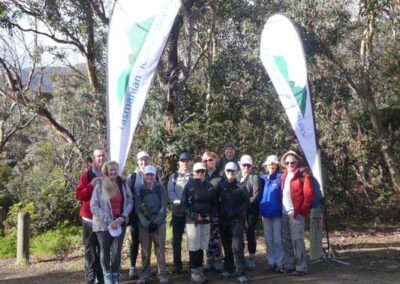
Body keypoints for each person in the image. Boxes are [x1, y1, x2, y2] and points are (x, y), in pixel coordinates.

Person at [90, 161, 133, 284]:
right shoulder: (100, 185)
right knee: (104, 250)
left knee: (116, 251)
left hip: (120, 223)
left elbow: (130, 201)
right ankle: (107, 277)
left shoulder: (123, 184)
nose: (113, 172)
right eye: (111, 170)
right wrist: (109, 220)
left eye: (115, 169)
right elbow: (94, 206)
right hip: (103, 225)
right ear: (106, 171)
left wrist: (123, 217)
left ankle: (115, 276)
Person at [181, 162, 217, 283]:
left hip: (206, 221)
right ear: (193, 173)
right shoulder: (189, 186)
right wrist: (195, 216)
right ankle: (194, 272)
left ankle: (199, 270)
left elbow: (214, 204)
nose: (200, 173)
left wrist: (210, 216)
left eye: (202, 171)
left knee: (202, 246)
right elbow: (184, 205)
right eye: (198, 171)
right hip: (193, 222)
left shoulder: (209, 186)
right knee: (193, 247)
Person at [280, 150, 313, 276]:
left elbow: (308, 195)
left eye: (292, 162)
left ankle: (301, 267)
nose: (290, 164)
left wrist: (299, 210)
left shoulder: (303, 175)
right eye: (287, 162)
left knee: (297, 240)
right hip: (284, 212)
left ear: (297, 162)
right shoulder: (284, 175)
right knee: (286, 240)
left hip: (296, 213)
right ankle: (289, 265)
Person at [76, 149, 106, 284]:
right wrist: (90, 185)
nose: (101, 158)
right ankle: (90, 277)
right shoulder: (86, 175)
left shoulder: (109, 173)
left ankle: (102, 276)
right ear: (93, 159)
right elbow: (79, 195)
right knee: (90, 248)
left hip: (104, 219)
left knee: (103, 249)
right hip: (89, 218)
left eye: (103, 156)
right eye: (98, 156)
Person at [135, 165, 168, 284]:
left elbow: (164, 207)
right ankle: (144, 275)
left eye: (151, 174)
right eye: (147, 174)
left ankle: (162, 274)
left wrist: (156, 222)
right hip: (144, 224)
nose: (149, 176)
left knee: (160, 250)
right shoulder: (140, 189)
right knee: (145, 250)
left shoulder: (160, 188)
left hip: (159, 223)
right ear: (143, 175)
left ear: (155, 175)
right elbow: (138, 209)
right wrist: (147, 223)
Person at [218, 162, 250, 284]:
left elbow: (246, 203)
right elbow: (216, 202)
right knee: (226, 246)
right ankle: (229, 269)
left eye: (233, 171)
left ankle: (240, 272)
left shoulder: (241, 187)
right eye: (228, 171)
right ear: (225, 172)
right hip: (223, 220)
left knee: (237, 247)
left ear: (236, 172)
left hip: (237, 221)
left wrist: (237, 212)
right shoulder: (221, 186)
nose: (230, 174)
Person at [126, 151, 154, 279]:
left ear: (148, 160)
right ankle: (132, 267)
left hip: (150, 215)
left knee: (148, 242)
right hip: (135, 215)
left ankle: (146, 266)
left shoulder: (154, 174)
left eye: (145, 159)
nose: (143, 162)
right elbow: (127, 195)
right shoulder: (132, 176)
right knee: (135, 241)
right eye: (141, 160)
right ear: (137, 161)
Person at [167, 152, 192, 273]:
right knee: (177, 240)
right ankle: (177, 265)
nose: (185, 163)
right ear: (179, 162)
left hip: (191, 212)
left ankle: (194, 264)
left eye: (186, 160)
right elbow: (170, 192)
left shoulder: (194, 175)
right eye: (182, 161)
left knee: (192, 238)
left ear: (190, 162)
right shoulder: (174, 176)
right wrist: (178, 202)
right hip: (177, 212)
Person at [259, 155, 283, 272]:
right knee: (268, 239)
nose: (271, 166)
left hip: (277, 213)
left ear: (277, 165)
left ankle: (280, 262)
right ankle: (271, 262)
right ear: (266, 166)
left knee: (277, 239)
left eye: (273, 164)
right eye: (269, 164)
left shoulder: (280, 177)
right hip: (265, 213)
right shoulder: (263, 178)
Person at [237, 154, 261, 271]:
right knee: (238, 234)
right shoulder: (236, 176)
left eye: (248, 165)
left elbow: (255, 195)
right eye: (244, 165)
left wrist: (244, 205)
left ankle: (251, 258)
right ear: (240, 165)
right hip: (238, 211)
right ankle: (240, 257)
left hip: (250, 211)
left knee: (250, 233)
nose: (246, 167)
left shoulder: (254, 177)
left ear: (251, 166)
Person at [202, 151, 223, 272]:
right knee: (205, 236)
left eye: (210, 160)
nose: (208, 162)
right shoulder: (200, 173)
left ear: (215, 160)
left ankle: (218, 259)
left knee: (215, 236)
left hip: (216, 211)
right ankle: (208, 259)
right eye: (205, 160)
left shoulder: (221, 174)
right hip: (203, 211)